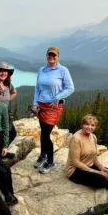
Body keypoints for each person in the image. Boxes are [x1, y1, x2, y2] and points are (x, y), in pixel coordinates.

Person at [32, 46, 74, 174]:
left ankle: (50, 162)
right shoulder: (42, 70)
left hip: (54, 107)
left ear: (58, 57)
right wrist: (35, 103)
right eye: (49, 55)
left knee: (45, 134)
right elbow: (37, 88)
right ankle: (43, 154)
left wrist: (58, 97)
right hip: (41, 105)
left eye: (54, 55)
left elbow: (70, 88)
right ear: (46, 56)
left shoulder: (62, 70)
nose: (51, 57)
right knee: (43, 132)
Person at [66, 114, 108, 188]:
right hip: (75, 170)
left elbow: (94, 156)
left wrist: (101, 168)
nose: (90, 127)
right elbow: (75, 162)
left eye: (92, 125)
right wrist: (96, 172)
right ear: (82, 125)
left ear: (95, 127)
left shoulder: (93, 137)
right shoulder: (76, 139)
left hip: (90, 165)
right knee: (103, 181)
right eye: (87, 124)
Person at [0, 62, 18, 149]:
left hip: (5, 115)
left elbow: (14, 92)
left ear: (8, 73)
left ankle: (3, 150)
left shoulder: (8, 85)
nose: (3, 73)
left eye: (5, 71)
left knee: (12, 134)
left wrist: (7, 99)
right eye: (1, 71)